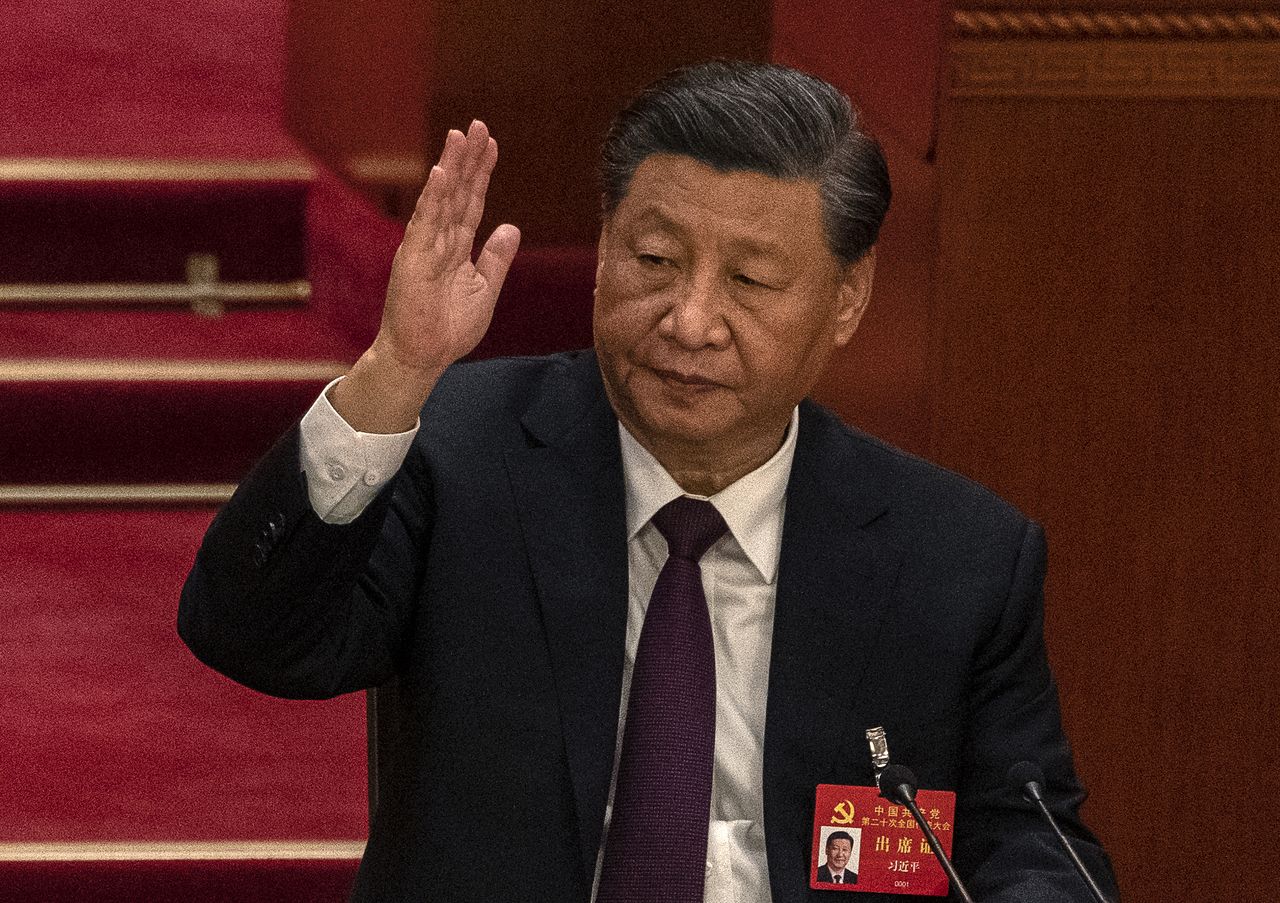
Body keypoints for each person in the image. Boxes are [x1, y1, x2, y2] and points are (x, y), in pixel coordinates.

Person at [179, 61, 1118, 902]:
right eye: (655, 261)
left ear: (847, 298)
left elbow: (1032, 838)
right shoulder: (462, 458)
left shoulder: (955, 556)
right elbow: (252, 634)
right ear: (602, 249)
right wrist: (394, 370)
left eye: (749, 280)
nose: (690, 321)